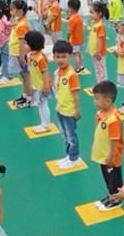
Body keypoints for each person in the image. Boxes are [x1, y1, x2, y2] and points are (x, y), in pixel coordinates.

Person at [90, 81, 124, 211]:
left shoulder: (113, 119)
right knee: (107, 177)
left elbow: (114, 140)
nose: (95, 101)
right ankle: (110, 195)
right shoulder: (100, 113)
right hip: (102, 153)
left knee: (114, 178)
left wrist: (111, 157)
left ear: (108, 101)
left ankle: (117, 199)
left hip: (110, 156)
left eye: (97, 99)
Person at [52, 40, 82, 170]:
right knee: (64, 135)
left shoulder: (71, 75)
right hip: (60, 109)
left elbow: (75, 94)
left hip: (69, 111)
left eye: (64, 56)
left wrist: (77, 110)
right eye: (58, 57)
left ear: (69, 56)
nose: (60, 60)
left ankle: (74, 158)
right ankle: (69, 155)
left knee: (71, 136)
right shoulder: (57, 73)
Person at [26, 31, 52, 134]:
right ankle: (43, 123)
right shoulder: (31, 55)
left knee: (43, 104)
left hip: (41, 86)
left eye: (26, 43)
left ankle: (46, 125)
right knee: (40, 104)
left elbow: (45, 72)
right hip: (36, 85)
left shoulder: (40, 58)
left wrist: (46, 86)